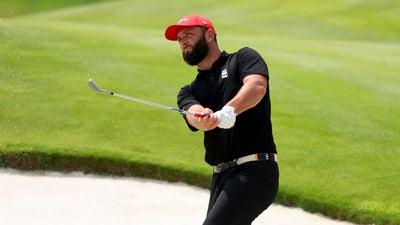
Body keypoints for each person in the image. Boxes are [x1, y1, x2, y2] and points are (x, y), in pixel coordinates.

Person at [164, 15, 279, 225]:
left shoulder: (243, 58)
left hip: (254, 171)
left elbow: (257, 87)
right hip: (221, 177)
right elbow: (192, 113)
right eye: (179, 39)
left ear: (209, 35)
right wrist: (204, 119)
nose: (183, 41)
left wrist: (228, 111)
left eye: (188, 34)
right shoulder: (188, 91)